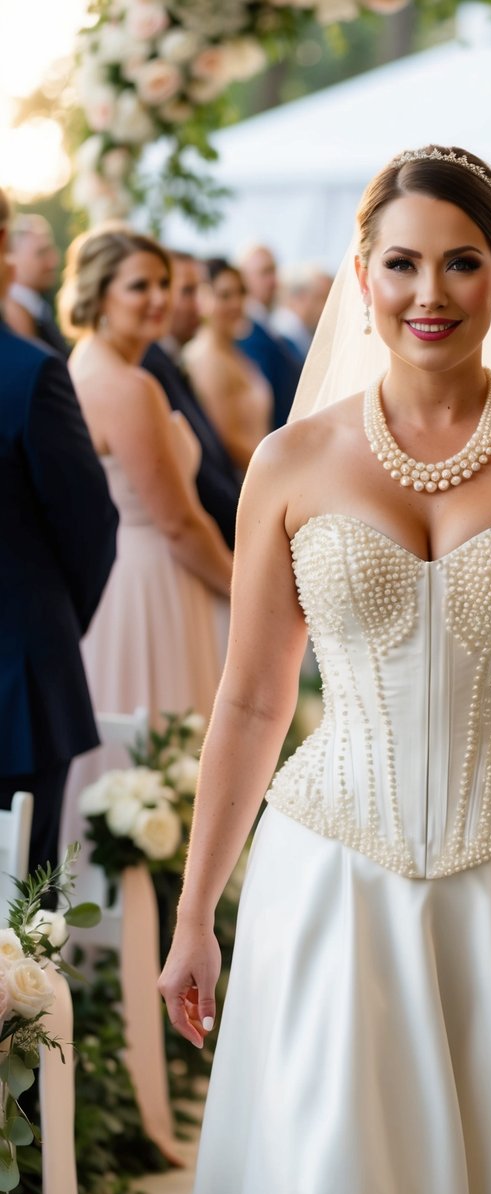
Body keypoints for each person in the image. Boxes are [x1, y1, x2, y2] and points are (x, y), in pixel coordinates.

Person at [160, 145, 491, 1194]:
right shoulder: (288, 461)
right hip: (331, 877)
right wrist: (194, 911)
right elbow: (256, 699)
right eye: (402, 264)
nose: (429, 293)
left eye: (461, 264)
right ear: (362, 278)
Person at [59, 227, 232, 856]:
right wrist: (248, 587)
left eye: (164, 283)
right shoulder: (129, 388)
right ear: (99, 294)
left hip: (112, 581)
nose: (158, 298)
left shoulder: (81, 369)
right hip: (154, 577)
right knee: (161, 737)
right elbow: (179, 521)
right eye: (140, 285)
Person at [0, 189, 118, 872]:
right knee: (21, 927)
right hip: (21, 684)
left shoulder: (31, 369)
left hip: (21, 691)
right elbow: (91, 527)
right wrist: (48, 626)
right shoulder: (29, 372)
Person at [142, 251, 242, 550]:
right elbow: (199, 473)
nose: (201, 305)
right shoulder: (150, 367)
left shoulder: (171, 360)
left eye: (202, 290)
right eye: (187, 291)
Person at [183, 257, 272, 474]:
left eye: (240, 293)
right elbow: (225, 438)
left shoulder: (235, 352)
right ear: (204, 299)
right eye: (225, 295)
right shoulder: (206, 358)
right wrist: (276, 469)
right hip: (245, 476)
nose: (236, 303)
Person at [237, 243, 303, 429]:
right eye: (264, 273)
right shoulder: (246, 331)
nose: (273, 281)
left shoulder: (270, 326)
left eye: (274, 271)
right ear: (243, 279)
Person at [4, 213, 71, 358]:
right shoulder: (14, 314)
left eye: (51, 250)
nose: (53, 261)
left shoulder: (34, 306)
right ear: (12, 258)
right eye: (41, 253)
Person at [272, 261, 333, 359]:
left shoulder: (302, 333)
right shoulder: (280, 335)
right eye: (321, 298)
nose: (326, 307)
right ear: (301, 297)